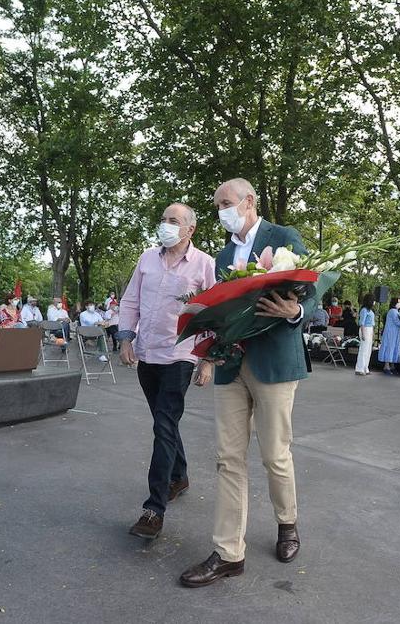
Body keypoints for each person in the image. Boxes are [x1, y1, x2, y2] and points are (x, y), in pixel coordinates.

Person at [179, 178, 315, 589]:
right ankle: (227, 553)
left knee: (275, 454)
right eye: (218, 204)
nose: (221, 210)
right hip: (230, 365)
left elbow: (312, 297)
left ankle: (287, 524)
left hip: (274, 363)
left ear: (249, 202)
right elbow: (223, 311)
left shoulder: (284, 238)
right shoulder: (223, 255)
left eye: (226, 203)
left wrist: (294, 311)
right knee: (228, 459)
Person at [119, 202, 217, 541]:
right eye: (163, 219)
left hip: (181, 354)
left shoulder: (205, 264)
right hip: (147, 352)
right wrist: (126, 337)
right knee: (166, 422)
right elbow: (130, 300)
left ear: (190, 229)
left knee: (163, 423)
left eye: (173, 220)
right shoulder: (147, 258)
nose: (166, 225)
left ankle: (154, 509)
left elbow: (215, 314)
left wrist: (207, 359)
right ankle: (181, 475)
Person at [376, 297, 400, 375]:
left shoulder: (396, 311)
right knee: (390, 348)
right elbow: (397, 322)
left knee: (395, 348)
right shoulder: (392, 311)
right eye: (399, 302)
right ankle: (386, 366)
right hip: (391, 333)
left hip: (395, 332)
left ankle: (392, 366)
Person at [355, 295, 375, 377]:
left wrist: (373, 334)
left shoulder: (371, 311)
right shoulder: (364, 310)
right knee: (363, 349)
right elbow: (362, 323)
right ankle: (359, 368)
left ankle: (365, 368)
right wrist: (363, 333)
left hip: (370, 329)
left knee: (368, 350)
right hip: (365, 329)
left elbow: (373, 323)